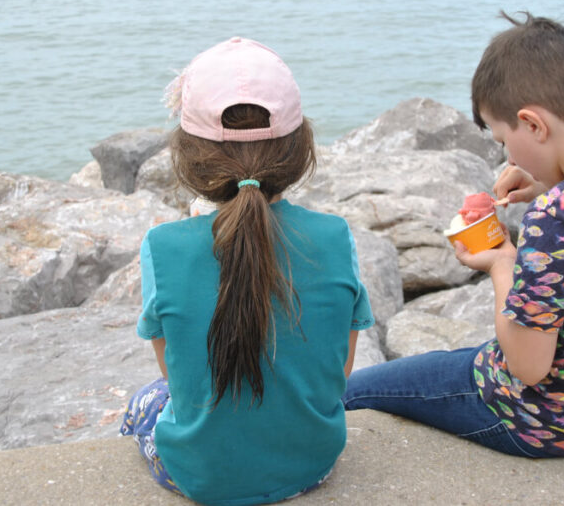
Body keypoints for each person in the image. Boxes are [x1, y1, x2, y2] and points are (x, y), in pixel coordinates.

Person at [343, 11, 564, 457]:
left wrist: (500, 263)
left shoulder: (558, 216)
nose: (507, 154)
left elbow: (527, 365)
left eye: (504, 140)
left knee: (360, 389)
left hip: (538, 421)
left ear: (533, 124)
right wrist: (547, 183)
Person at [120, 36, 374, 504]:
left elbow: (179, 384)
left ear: (189, 157)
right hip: (313, 466)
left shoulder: (163, 247)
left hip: (200, 477)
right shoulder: (335, 237)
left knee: (145, 402)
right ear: (299, 150)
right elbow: (335, 376)